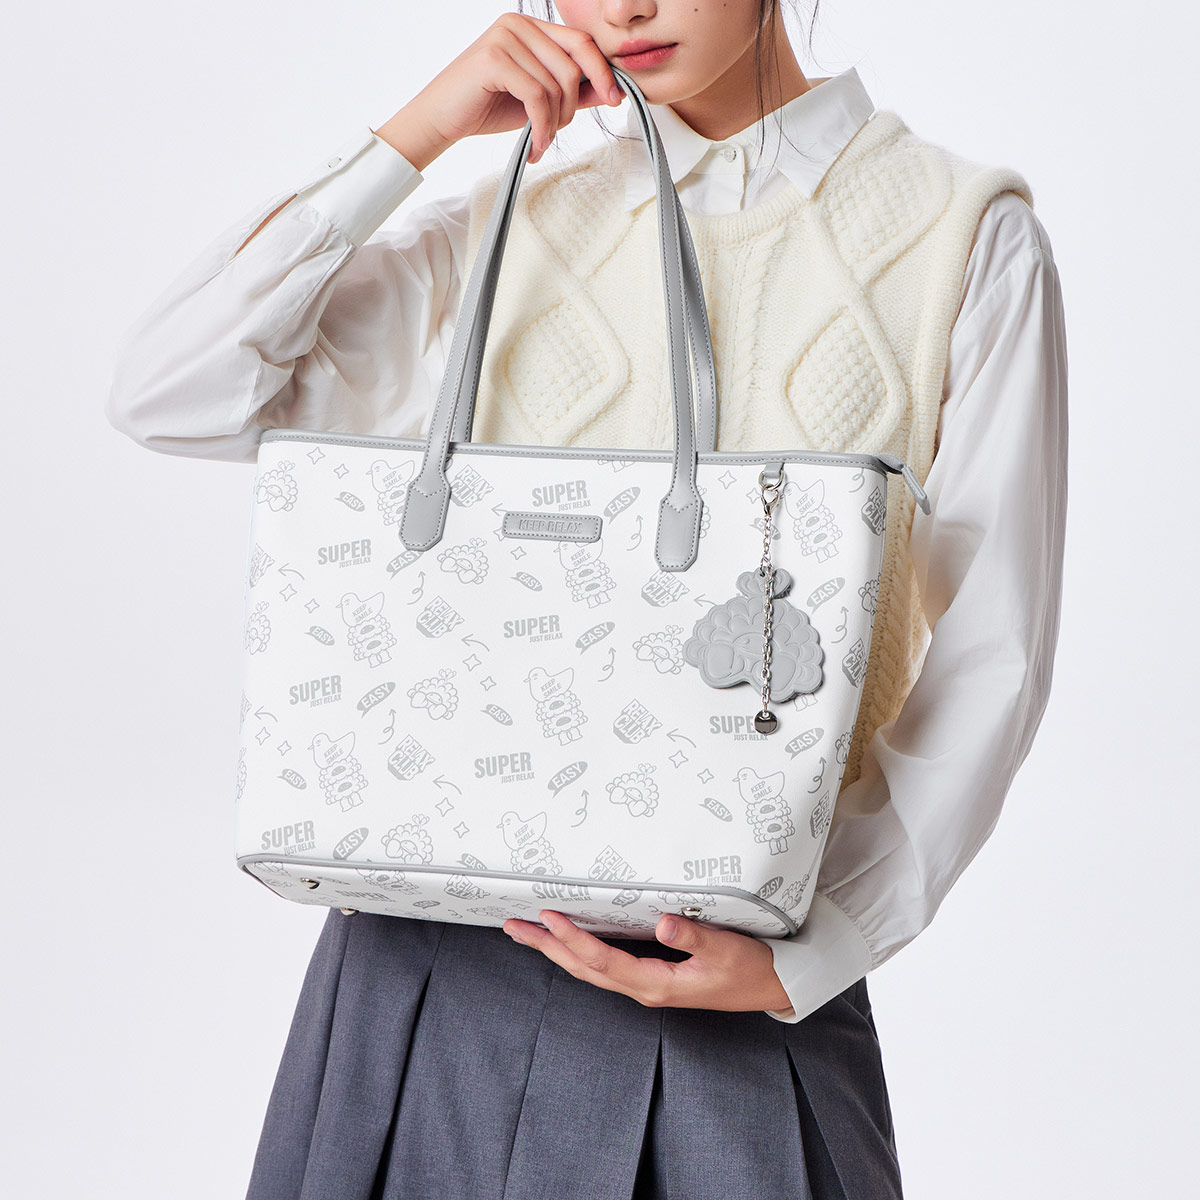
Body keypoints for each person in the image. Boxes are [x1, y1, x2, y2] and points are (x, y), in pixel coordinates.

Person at [105, 3, 1068, 1197]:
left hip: (729, 994)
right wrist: (414, 135)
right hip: (421, 981)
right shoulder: (505, 222)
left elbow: (993, 649)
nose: (621, 7)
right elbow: (170, 391)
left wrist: (824, 945)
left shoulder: (963, 235)